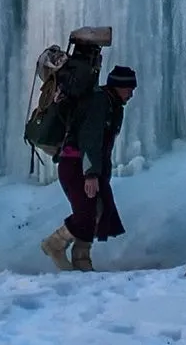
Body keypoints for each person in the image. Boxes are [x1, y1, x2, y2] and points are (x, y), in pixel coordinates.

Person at [41, 65, 135, 272]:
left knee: (99, 211)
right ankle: (55, 244)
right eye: (129, 88)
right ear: (118, 86)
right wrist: (90, 174)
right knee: (86, 213)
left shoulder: (112, 103)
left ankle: (81, 258)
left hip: (87, 166)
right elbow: (90, 138)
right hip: (76, 164)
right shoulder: (100, 102)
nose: (131, 93)